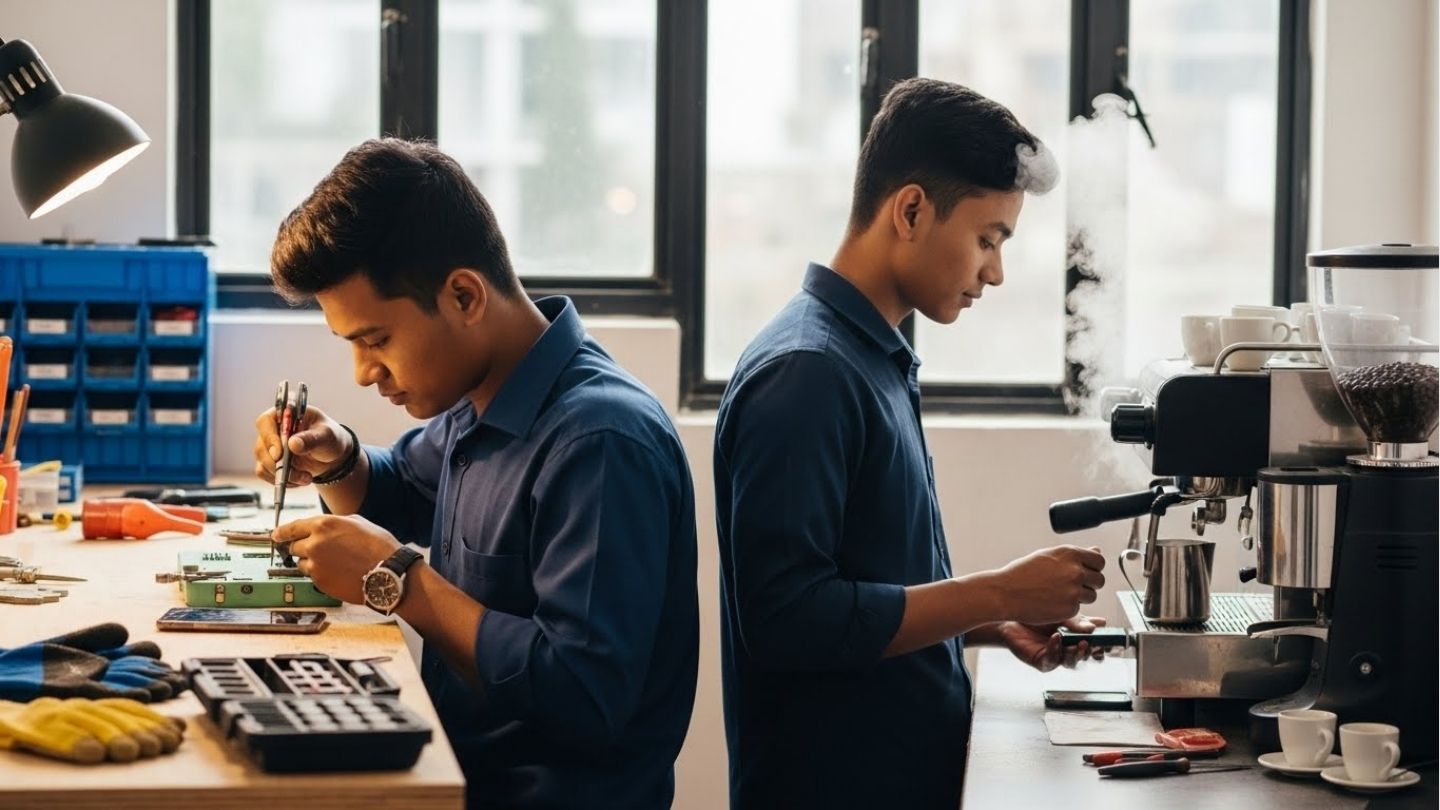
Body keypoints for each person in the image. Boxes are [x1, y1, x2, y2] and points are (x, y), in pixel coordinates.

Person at [253, 139, 699, 810]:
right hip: (457, 773)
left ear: (464, 295)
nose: (363, 373)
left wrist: (395, 581)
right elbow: (404, 489)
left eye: (375, 340)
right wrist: (338, 456)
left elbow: (582, 693)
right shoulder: (482, 396)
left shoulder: (600, 440)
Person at [713, 78, 1107, 809]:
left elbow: (868, 589)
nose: (995, 272)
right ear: (913, 211)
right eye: (987, 239)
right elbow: (789, 622)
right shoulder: (807, 374)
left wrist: (992, 622)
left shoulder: (871, 357)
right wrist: (996, 589)